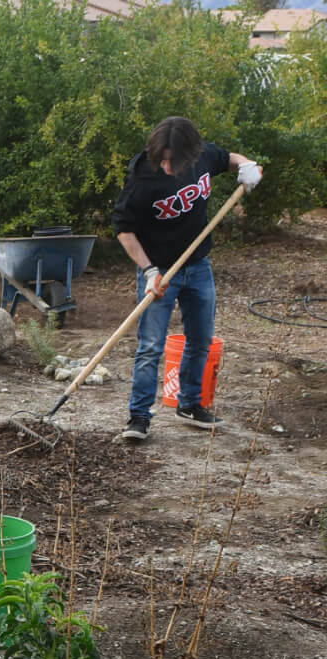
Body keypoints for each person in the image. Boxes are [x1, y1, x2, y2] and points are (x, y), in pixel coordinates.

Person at [113, 117, 260, 441]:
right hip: (159, 272)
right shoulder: (142, 177)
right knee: (151, 346)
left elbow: (229, 158)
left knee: (201, 341)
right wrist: (150, 271)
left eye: (173, 161)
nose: (166, 167)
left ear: (190, 155)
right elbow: (124, 229)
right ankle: (138, 417)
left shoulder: (203, 155)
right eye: (162, 159)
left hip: (198, 266)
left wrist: (247, 165)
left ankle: (190, 404)